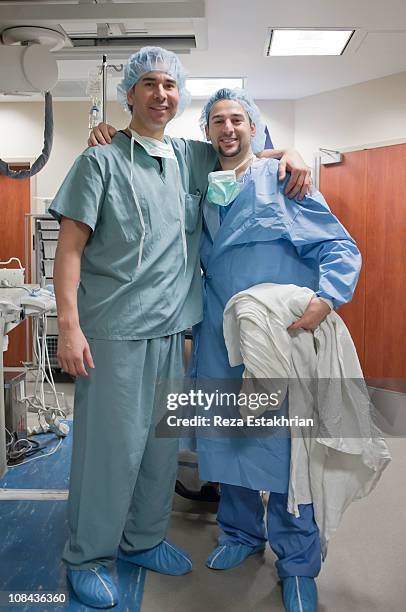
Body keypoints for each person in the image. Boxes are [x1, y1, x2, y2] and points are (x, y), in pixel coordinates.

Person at [50, 47, 310, 609]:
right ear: (130, 93)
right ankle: (88, 556)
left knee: (159, 451)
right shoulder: (99, 161)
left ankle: (143, 540)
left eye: (170, 84)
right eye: (148, 83)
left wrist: (288, 153)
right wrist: (67, 326)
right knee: (110, 453)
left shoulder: (190, 157)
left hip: (174, 331)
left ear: (180, 95)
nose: (160, 94)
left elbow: (243, 149)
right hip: (113, 333)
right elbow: (68, 251)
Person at [185, 88, 362, 612]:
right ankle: (240, 534)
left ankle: (298, 562)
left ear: (254, 125)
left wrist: (326, 298)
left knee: (289, 452)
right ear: (207, 131)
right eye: (217, 120)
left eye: (237, 118)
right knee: (231, 441)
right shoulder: (206, 189)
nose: (228, 128)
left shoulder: (284, 180)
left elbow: (338, 245)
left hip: (278, 340)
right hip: (221, 338)